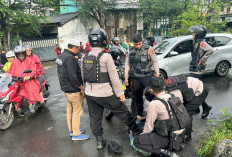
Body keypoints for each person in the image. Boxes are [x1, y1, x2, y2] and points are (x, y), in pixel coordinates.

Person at [81, 28, 140, 149]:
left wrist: (85, 91)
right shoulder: (106, 56)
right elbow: (114, 78)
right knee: (122, 111)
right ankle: (136, 130)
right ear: (103, 41)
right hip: (104, 93)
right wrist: (120, 94)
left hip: (90, 94)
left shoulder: (84, 56)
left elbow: (83, 77)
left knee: (95, 117)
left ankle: (99, 141)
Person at [130, 76, 188, 157]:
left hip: (170, 138)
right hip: (182, 134)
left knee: (136, 141)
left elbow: (148, 128)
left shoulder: (154, 104)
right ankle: (177, 146)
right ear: (164, 86)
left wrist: (142, 137)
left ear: (151, 90)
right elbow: (172, 114)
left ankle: (168, 154)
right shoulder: (173, 96)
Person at [56, 39, 89, 141]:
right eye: (77, 49)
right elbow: (72, 76)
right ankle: (76, 134)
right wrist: (81, 88)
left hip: (66, 88)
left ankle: (72, 130)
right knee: (77, 112)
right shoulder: (69, 58)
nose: (77, 51)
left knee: (70, 110)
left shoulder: (61, 56)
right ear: (74, 48)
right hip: (73, 89)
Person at [125, 33, 159, 119]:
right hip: (135, 77)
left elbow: (155, 61)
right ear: (133, 43)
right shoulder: (129, 50)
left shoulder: (149, 49)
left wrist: (157, 73)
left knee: (151, 95)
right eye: (136, 44)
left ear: (142, 42)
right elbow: (127, 64)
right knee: (137, 96)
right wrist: (126, 76)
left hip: (147, 76)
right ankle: (140, 114)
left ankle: (155, 113)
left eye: (140, 44)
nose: (138, 46)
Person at [8, 46, 42, 113]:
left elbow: (33, 71)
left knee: (29, 87)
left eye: (22, 54)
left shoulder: (30, 61)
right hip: (17, 80)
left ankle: (31, 104)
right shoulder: (14, 62)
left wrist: (29, 77)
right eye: (19, 54)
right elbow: (10, 71)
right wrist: (7, 77)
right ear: (16, 55)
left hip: (28, 80)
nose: (21, 56)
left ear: (24, 54)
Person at [189, 25, 214, 118]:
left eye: (194, 33)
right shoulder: (195, 42)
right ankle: (199, 107)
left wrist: (203, 59)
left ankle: (206, 107)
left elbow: (211, 50)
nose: (192, 34)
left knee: (196, 89)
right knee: (195, 89)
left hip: (198, 69)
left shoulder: (202, 43)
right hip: (194, 67)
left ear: (198, 34)